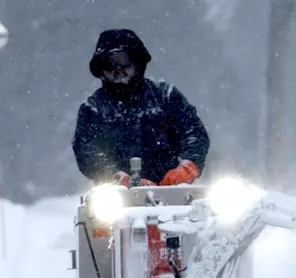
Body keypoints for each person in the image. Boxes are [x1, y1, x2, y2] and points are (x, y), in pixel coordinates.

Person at [72, 29, 210, 187]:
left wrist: (187, 167)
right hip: (116, 199)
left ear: (137, 62)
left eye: (122, 61)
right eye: (109, 65)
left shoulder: (166, 96)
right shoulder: (93, 108)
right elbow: (86, 151)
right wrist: (115, 177)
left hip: (173, 191)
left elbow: (194, 133)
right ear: (101, 70)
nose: (118, 71)